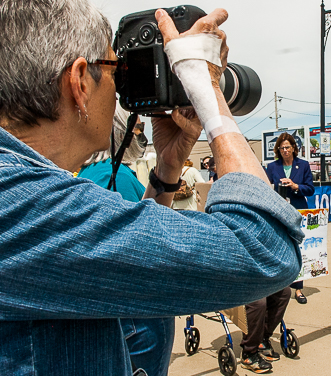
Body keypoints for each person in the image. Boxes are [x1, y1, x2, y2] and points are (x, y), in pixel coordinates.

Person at [0, 3, 303, 374]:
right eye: (116, 70)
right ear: (79, 82)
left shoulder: (23, 196)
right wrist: (207, 93)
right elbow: (264, 249)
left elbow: (138, 261)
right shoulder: (22, 204)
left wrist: (167, 167)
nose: (121, 92)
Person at [78, 106, 174, 376]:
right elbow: (147, 241)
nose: (141, 135)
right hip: (134, 318)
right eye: (137, 128)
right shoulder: (117, 176)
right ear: (118, 130)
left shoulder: (87, 174)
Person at [266, 133, 315, 304]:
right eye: (282, 148)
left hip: (298, 210)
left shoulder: (303, 165)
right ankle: (279, 287)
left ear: (294, 148)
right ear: (278, 150)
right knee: (280, 248)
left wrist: (295, 186)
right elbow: (266, 187)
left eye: (288, 147)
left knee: (298, 249)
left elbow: (310, 189)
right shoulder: (272, 167)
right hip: (278, 212)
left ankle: (299, 289)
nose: (285, 150)